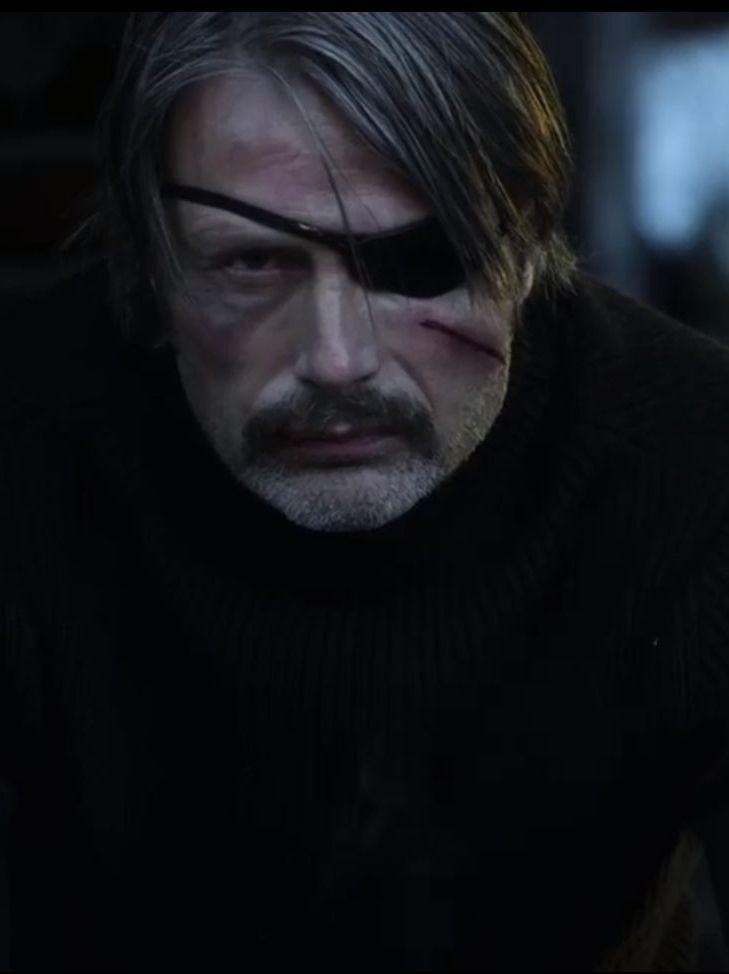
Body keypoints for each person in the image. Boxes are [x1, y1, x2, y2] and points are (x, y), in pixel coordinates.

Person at [1, 11, 728, 972]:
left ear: (523, 247)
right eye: (252, 262)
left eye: (416, 261)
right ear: (153, 265)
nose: (337, 359)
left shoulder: (692, 459)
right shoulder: (25, 445)